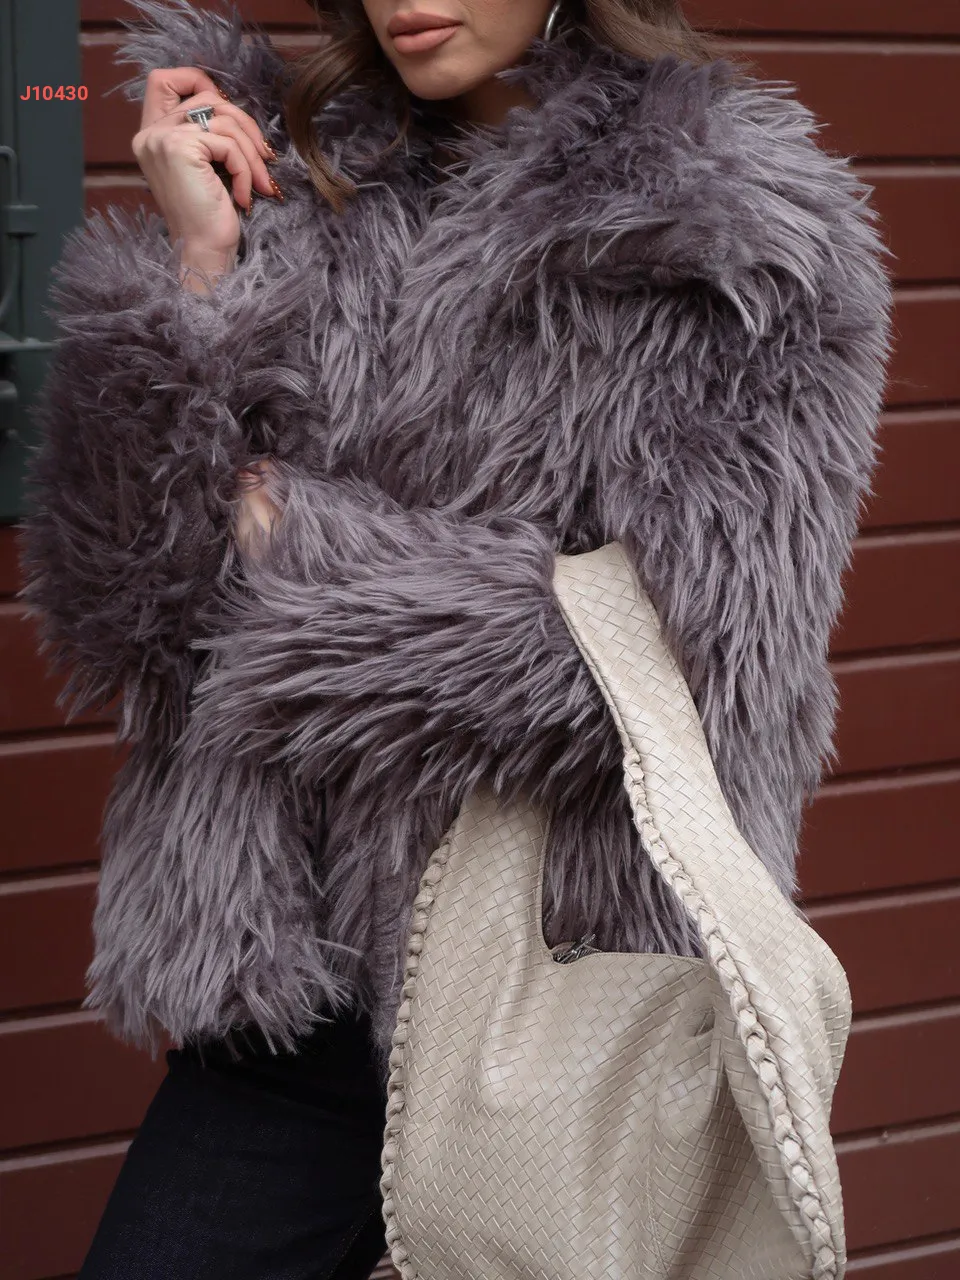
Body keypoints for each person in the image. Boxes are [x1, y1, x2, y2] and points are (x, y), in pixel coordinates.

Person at [18, 0, 893, 1275]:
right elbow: (122, 614)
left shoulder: (733, 230)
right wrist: (197, 274)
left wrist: (293, 541)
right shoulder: (287, 177)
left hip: (559, 996)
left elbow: (683, 666)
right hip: (287, 990)